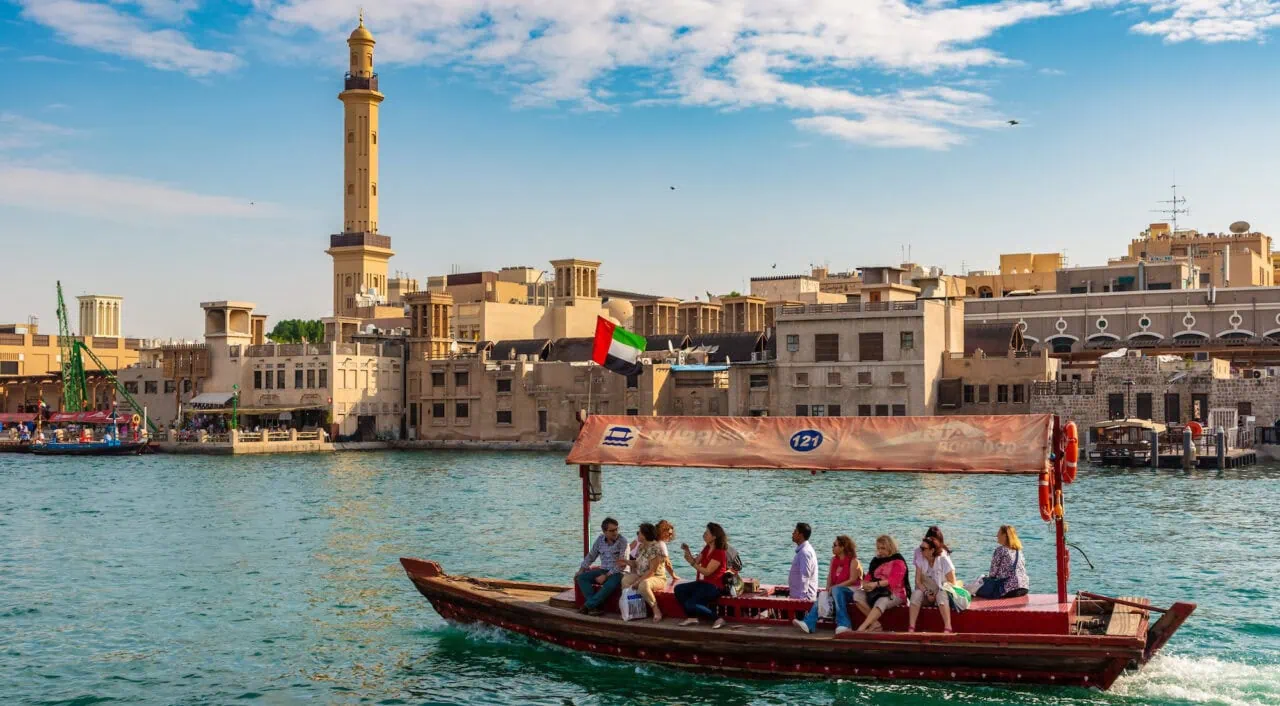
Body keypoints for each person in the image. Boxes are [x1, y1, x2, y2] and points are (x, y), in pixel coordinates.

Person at [793, 535, 863, 634]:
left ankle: (845, 624)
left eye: (835, 545)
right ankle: (809, 624)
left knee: (836, 590)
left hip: (852, 591)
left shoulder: (854, 561)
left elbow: (852, 580)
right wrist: (827, 590)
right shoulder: (833, 560)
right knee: (824, 594)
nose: (832, 547)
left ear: (843, 547)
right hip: (837, 591)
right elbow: (830, 576)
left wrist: (836, 587)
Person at [674, 522, 729, 629]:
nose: (704, 534)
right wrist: (687, 551)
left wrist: (693, 563)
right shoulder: (707, 548)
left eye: (707, 533)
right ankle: (692, 617)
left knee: (691, 603)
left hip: (714, 587)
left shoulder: (719, 552)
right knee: (679, 589)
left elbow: (707, 572)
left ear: (714, 537)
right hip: (703, 583)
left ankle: (717, 618)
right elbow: (695, 561)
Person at [854, 535, 910, 632]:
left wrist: (876, 584)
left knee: (882, 600)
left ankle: (862, 627)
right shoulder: (876, 561)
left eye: (883, 548)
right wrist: (866, 585)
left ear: (890, 547)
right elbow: (868, 577)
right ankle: (876, 624)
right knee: (857, 595)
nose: (880, 551)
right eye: (878, 548)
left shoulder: (898, 561)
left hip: (895, 593)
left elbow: (894, 581)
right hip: (876, 591)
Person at [575, 517, 627, 616]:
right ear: (604, 531)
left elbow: (622, 564)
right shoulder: (600, 540)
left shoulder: (622, 541)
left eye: (616, 529)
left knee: (609, 585)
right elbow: (591, 556)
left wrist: (606, 576)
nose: (615, 532)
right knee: (581, 578)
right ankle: (594, 606)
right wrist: (581, 570)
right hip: (603, 570)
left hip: (618, 573)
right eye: (612, 530)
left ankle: (587, 606)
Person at [908, 535, 958, 633]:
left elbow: (952, 582)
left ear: (932, 550)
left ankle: (948, 627)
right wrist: (927, 592)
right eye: (920, 548)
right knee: (916, 594)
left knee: (941, 595)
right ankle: (911, 627)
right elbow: (917, 582)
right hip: (927, 591)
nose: (920, 551)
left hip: (942, 590)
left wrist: (938, 591)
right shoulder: (920, 560)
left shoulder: (943, 560)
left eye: (923, 549)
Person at [621, 523, 668, 622]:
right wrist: (625, 562)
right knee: (625, 580)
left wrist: (638, 582)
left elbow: (652, 571)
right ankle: (632, 608)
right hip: (641, 574)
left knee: (643, 584)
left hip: (657, 577)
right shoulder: (641, 547)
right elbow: (636, 564)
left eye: (639, 533)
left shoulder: (655, 548)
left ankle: (656, 609)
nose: (637, 535)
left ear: (645, 535)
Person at [977, 525, 1029, 599]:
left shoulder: (1000, 550)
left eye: (999, 533)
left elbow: (992, 574)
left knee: (980, 587)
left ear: (1004, 535)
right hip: (1024, 587)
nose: (997, 535)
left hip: (1010, 589)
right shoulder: (1018, 551)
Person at [790, 522, 818, 601]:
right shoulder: (804, 551)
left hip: (802, 599)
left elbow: (805, 576)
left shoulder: (804, 552)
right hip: (798, 597)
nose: (792, 533)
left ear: (801, 535)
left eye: (795, 531)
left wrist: (803, 599)